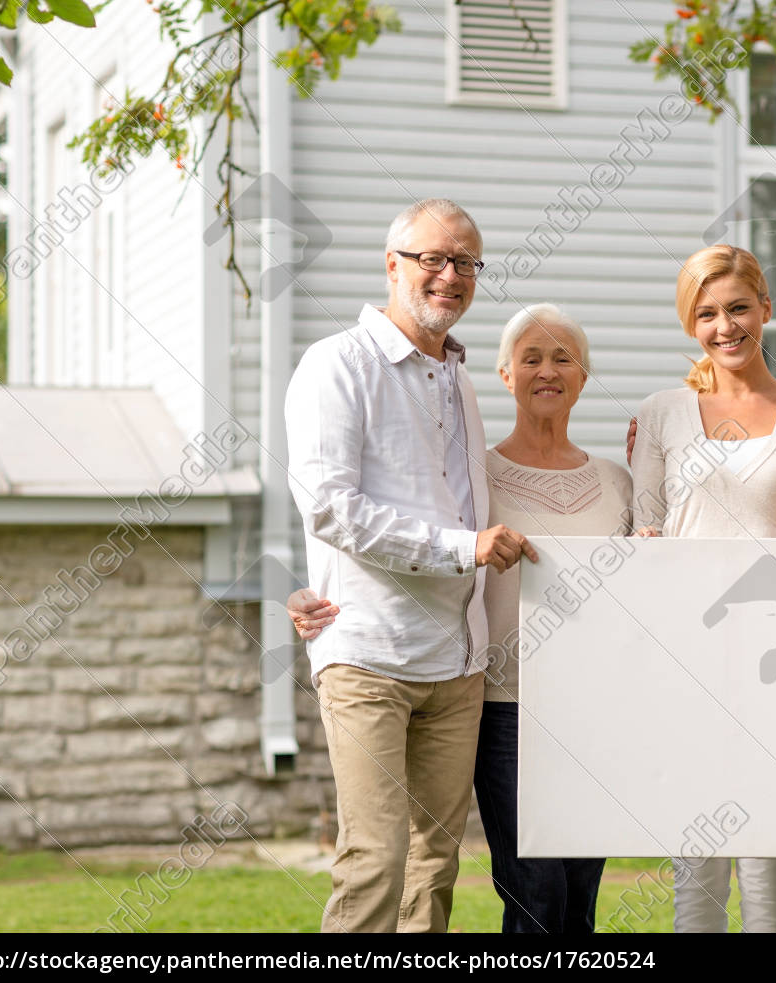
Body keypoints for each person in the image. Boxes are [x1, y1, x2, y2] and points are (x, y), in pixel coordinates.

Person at [291, 304, 632, 933]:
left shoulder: (618, 481)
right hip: (504, 701)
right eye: (531, 357)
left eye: (563, 358)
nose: (548, 370)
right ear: (505, 373)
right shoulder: (478, 480)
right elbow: (373, 513)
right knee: (533, 892)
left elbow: (642, 587)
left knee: (577, 895)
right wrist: (309, 590)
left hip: (591, 710)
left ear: (585, 376)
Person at [284, 198, 537, 933]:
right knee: (374, 859)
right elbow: (329, 506)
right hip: (369, 655)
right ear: (392, 264)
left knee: (435, 865)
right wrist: (465, 549)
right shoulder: (338, 364)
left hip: (456, 667)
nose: (449, 275)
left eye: (465, 262)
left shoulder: (458, 379)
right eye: (432, 257)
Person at [631, 244, 776, 933]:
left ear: (767, 310)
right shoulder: (662, 411)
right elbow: (646, 533)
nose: (726, 326)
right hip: (687, 653)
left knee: (764, 846)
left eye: (739, 309)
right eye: (708, 314)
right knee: (697, 847)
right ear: (692, 324)